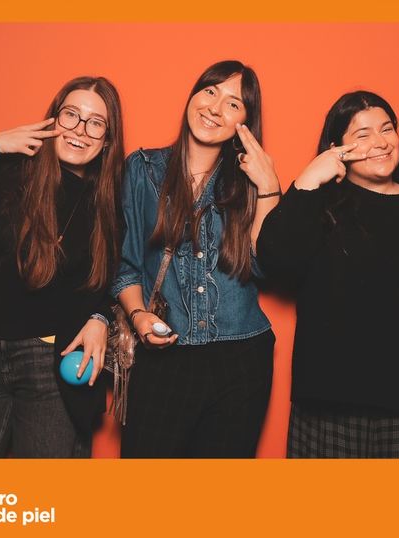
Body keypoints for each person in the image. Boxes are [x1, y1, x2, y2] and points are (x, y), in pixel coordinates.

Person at [256, 91, 399, 458]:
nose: (380, 142)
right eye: (362, 134)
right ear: (337, 149)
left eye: (386, 129)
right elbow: (275, 259)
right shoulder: (318, 203)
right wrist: (308, 179)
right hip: (329, 402)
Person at [0, 76, 125, 458]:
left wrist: (101, 317)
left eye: (95, 123)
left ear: (107, 140)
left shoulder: (109, 202)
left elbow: (116, 274)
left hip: (53, 364)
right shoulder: (7, 171)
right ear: (53, 119)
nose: (80, 129)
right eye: (71, 114)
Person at [111, 60, 280, 458]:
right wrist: (138, 317)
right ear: (193, 96)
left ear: (245, 122)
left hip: (241, 356)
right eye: (210, 91)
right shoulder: (143, 169)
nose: (216, 108)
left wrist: (270, 186)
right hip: (165, 353)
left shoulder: (253, 180)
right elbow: (125, 264)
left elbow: (266, 266)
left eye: (233, 103)